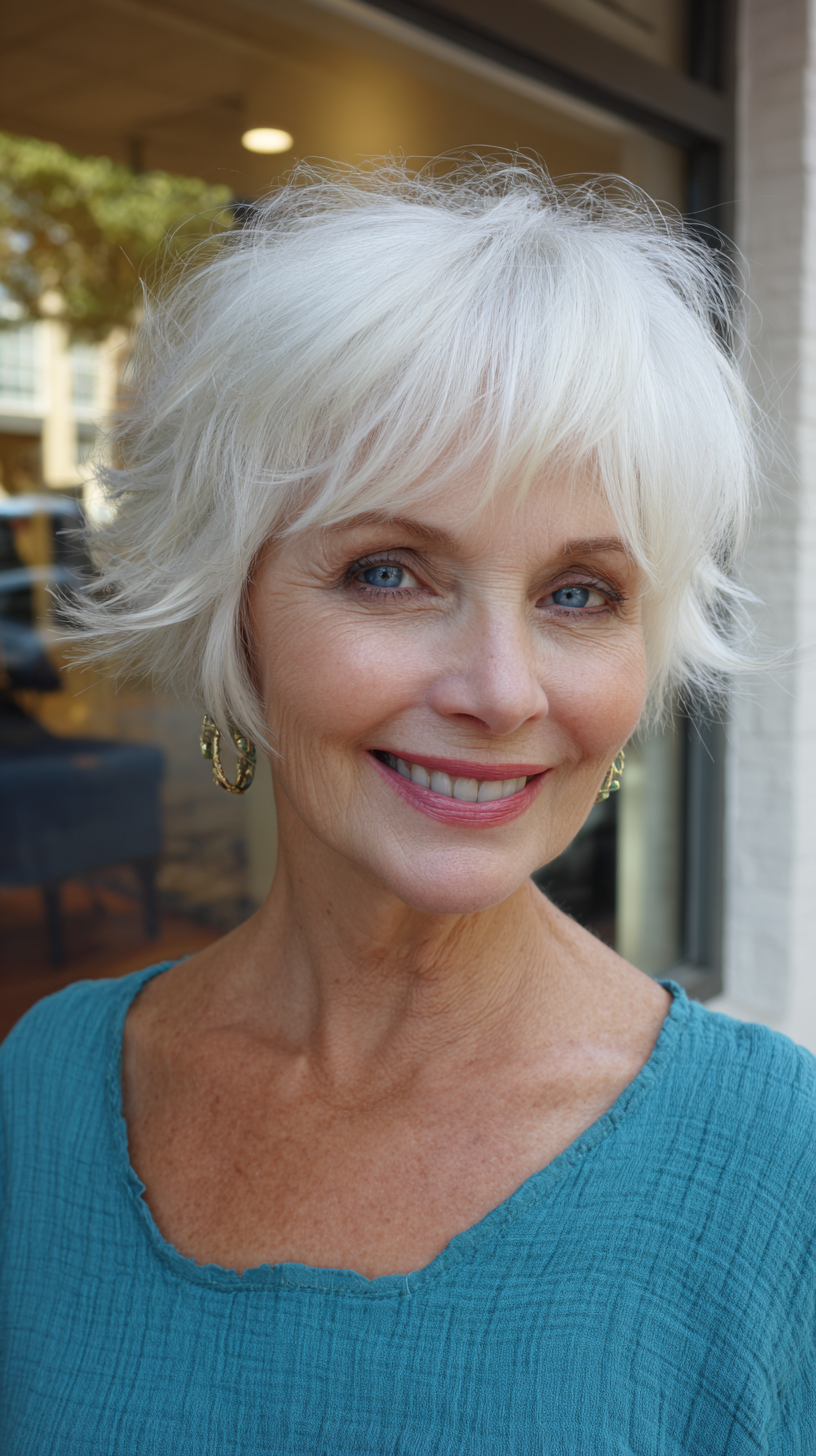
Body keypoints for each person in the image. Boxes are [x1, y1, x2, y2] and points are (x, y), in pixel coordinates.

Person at [1, 162, 813, 1454]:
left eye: (579, 594)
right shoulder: (40, 1091)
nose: (500, 690)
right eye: (389, 571)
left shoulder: (780, 1166)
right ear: (237, 611)